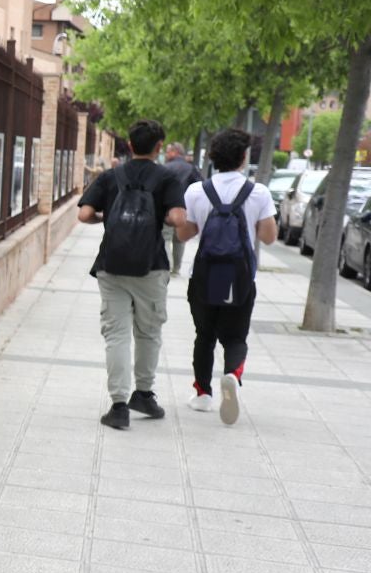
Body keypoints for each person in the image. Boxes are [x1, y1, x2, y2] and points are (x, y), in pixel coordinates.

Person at [76, 117, 190, 430]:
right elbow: (179, 219)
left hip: (111, 266)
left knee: (116, 334)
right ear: (158, 147)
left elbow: (84, 213)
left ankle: (117, 405)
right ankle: (143, 394)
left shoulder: (112, 176)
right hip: (151, 267)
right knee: (148, 332)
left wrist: (108, 218)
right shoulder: (167, 178)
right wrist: (163, 218)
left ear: (128, 144)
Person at [181, 127, 276, 423]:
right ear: (243, 157)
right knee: (235, 336)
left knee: (204, 335)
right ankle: (233, 374)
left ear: (213, 157)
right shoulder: (258, 192)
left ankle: (202, 394)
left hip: (206, 274)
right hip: (240, 275)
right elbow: (269, 237)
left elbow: (185, 233)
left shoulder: (197, 191)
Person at [161, 142, 202, 276]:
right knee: (179, 240)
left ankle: (167, 267)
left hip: (165, 210)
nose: (166, 154)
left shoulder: (164, 168)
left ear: (175, 152)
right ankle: (176, 269)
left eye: (167, 151)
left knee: (165, 238)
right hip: (184, 211)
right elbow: (200, 188)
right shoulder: (191, 169)